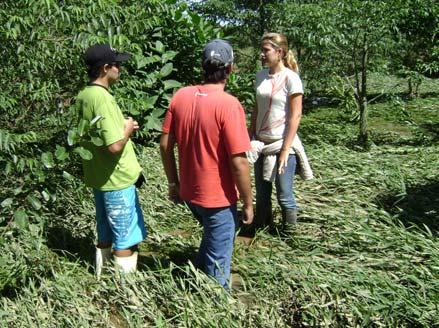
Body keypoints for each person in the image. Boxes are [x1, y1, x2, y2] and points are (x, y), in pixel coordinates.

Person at [160, 39, 254, 289]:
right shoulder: (229, 105)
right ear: (230, 68)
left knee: (213, 238)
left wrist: (173, 183)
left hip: (190, 193)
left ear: (202, 66)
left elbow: (165, 145)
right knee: (220, 258)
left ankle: (195, 274)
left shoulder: (180, 96)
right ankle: (216, 301)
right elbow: (239, 162)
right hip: (218, 198)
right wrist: (247, 202)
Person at [76, 43, 147, 276]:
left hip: (99, 177)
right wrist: (126, 129)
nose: (120, 69)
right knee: (124, 238)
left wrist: (123, 127)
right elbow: (114, 145)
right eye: (117, 65)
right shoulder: (103, 98)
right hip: (116, 179)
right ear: (106, 68)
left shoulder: (84, 95)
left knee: (105, 232)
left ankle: (101, 278)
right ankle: (124, 292)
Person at [249, 32, 304, 233]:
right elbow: (257, 108)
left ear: (279, 52)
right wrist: (250, 135)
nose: (261, 55)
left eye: (266, 50)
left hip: (283, 143)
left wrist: (284, 151)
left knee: (284, 194)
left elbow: (295, 116)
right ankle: (262, 227)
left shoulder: (292, 78)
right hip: (261, 143)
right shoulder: (260, 76)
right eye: (261, 50)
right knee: (262, 195)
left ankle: (290, 234)